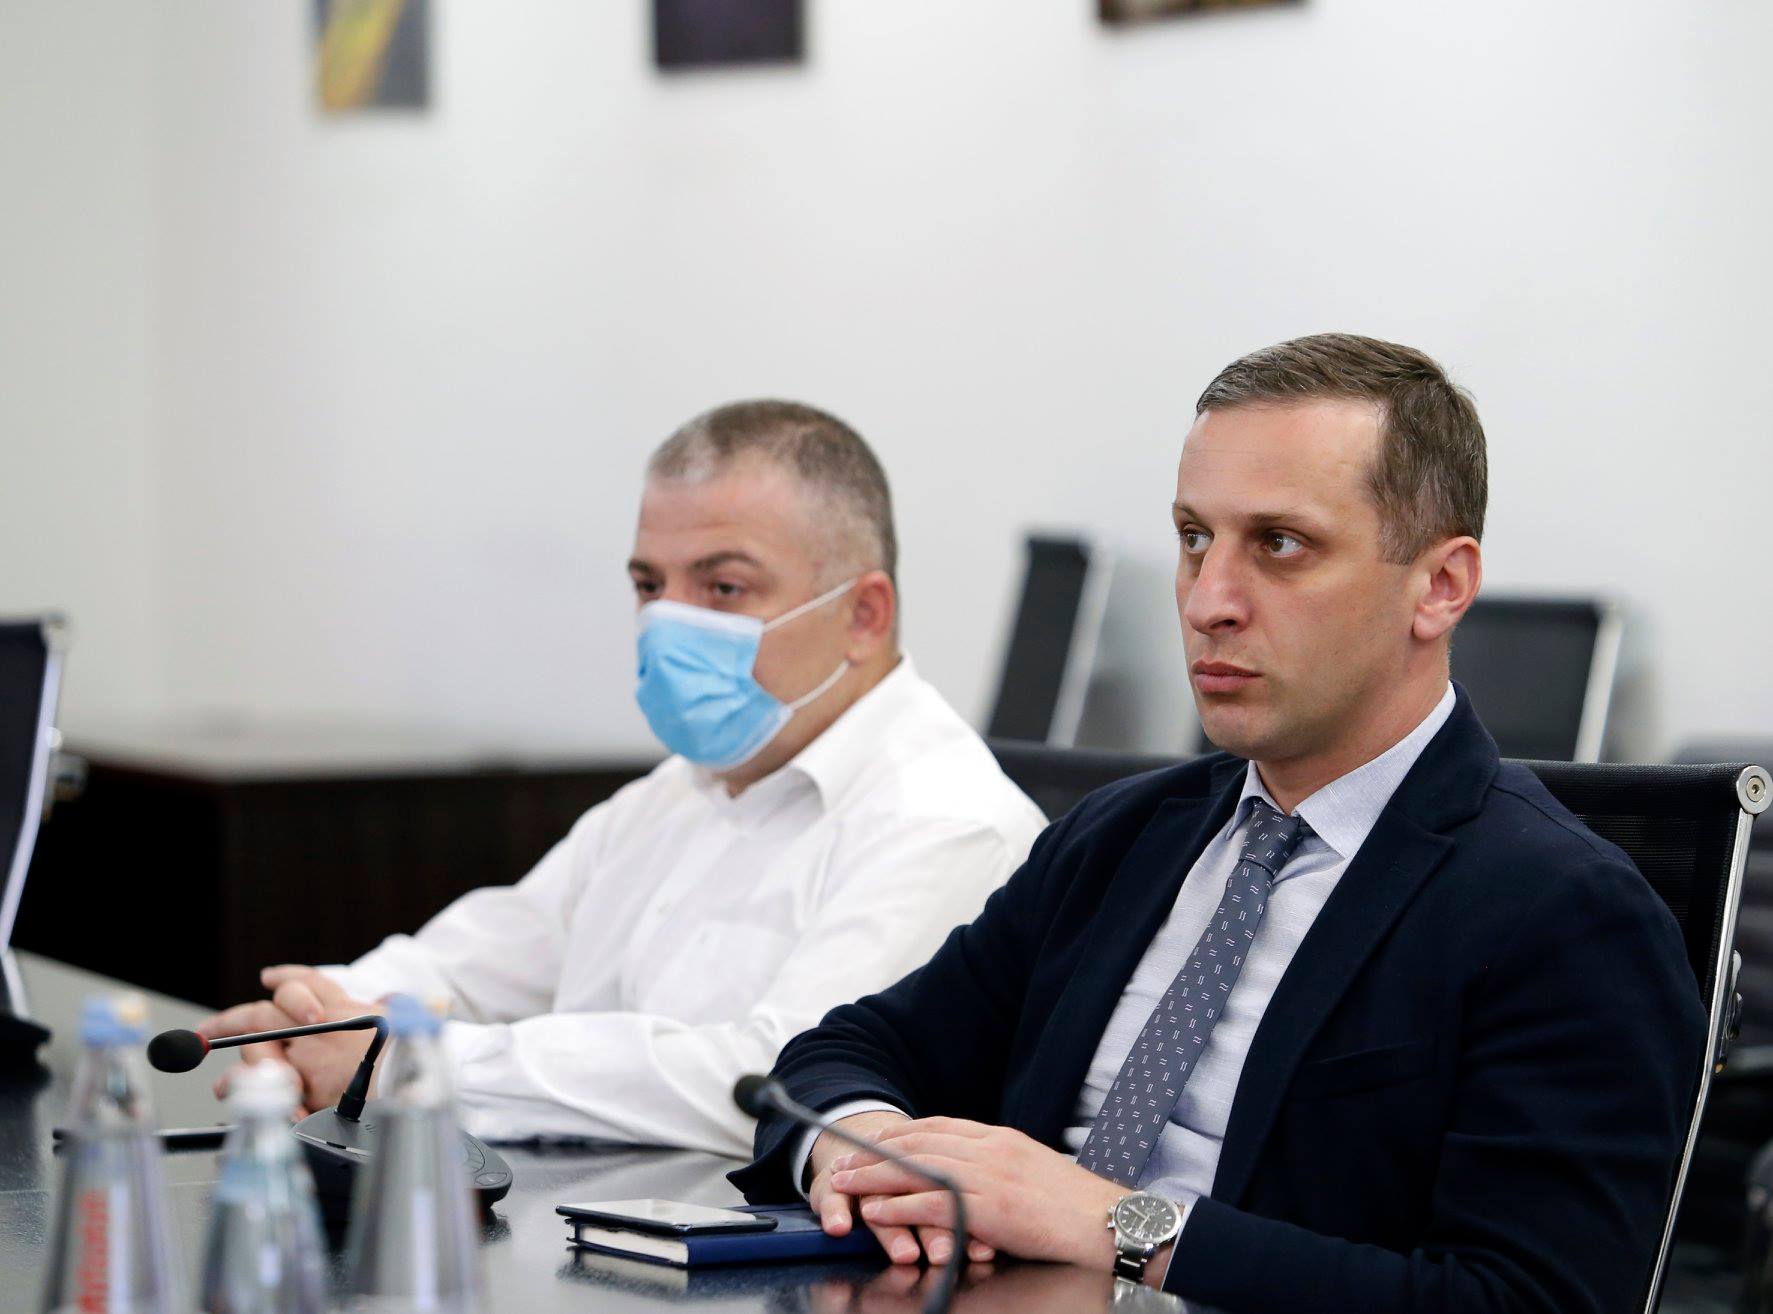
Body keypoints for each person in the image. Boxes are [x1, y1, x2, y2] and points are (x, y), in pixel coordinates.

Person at [731, 336, 1705, 1312]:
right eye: (1195, 538)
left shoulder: (1561, 912)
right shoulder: (1124, 837)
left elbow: (1527, 1300)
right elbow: (844, 1053)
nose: (1208, 602)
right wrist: (870, 1157)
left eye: (1280, 544)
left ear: (1440, 586)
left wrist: (1122, 1227)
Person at [195, 400, 1046, 1156]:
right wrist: (321, 1019)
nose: (668, 623)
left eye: (723, 586)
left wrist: (407, 1062)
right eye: (649, 584)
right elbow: (479, 960)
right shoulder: (683, 787)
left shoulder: (947, 820)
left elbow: (777, 1083)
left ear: (863, 614)